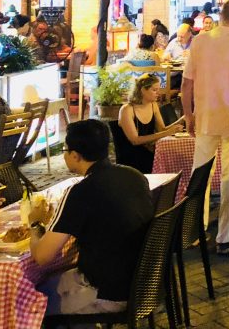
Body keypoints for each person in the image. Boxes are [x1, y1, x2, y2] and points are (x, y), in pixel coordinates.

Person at [30, 119, 154, 315]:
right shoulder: (135, 176)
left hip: (108, 294)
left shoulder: (80, 192)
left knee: (32, 294)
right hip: (146, 284)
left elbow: (42, 257)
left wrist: (35, 222)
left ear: (75, 155)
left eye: (64, 150)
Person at [182, 0, 229, 255]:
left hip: (204, 116)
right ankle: (225, 237)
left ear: (220, 15)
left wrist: (188, 115)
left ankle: (194, 229)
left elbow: (186, 85)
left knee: (199, 175)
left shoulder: (200, 41)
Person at [115, 73, 183, 174]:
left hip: (148, 152)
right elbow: (135, 140)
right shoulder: (127, 109)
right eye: (154, 90)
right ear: (143, 90)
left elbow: (162, 130)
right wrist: (168, 133)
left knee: (177, 160)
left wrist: (183, 119)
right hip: (132, 157)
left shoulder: (153, 105)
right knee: (170, 162)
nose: (158, 93)